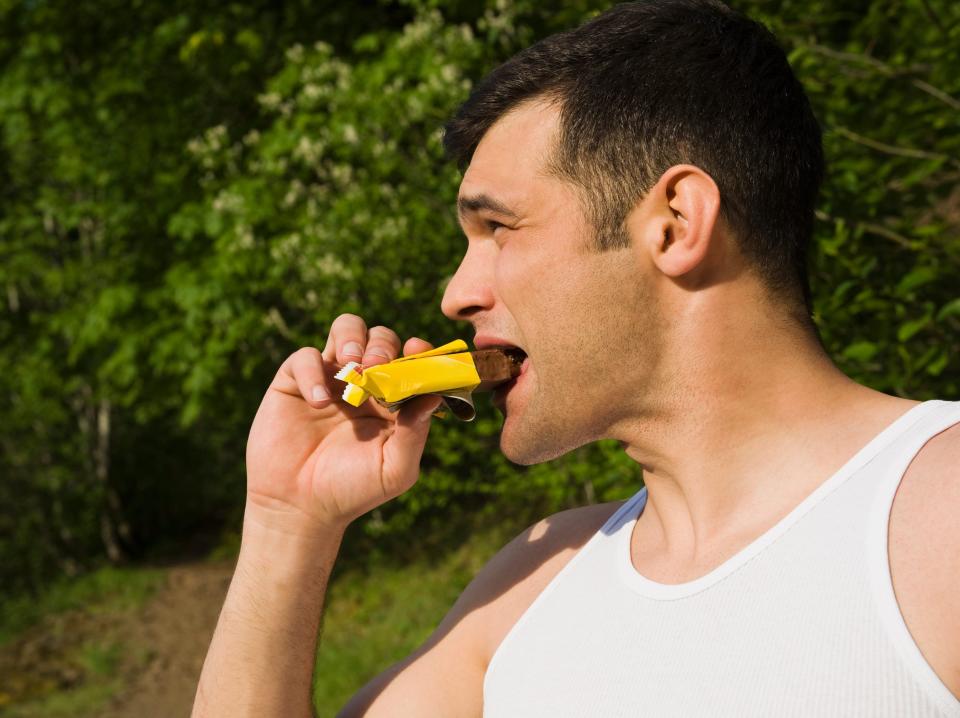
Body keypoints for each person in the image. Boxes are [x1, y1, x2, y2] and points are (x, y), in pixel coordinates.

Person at [191, 1, 960, 715]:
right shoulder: (534, 585)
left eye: (498, 227)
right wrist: (288, 520)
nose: (456, 293)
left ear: (674, 224)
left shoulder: (939, 517)